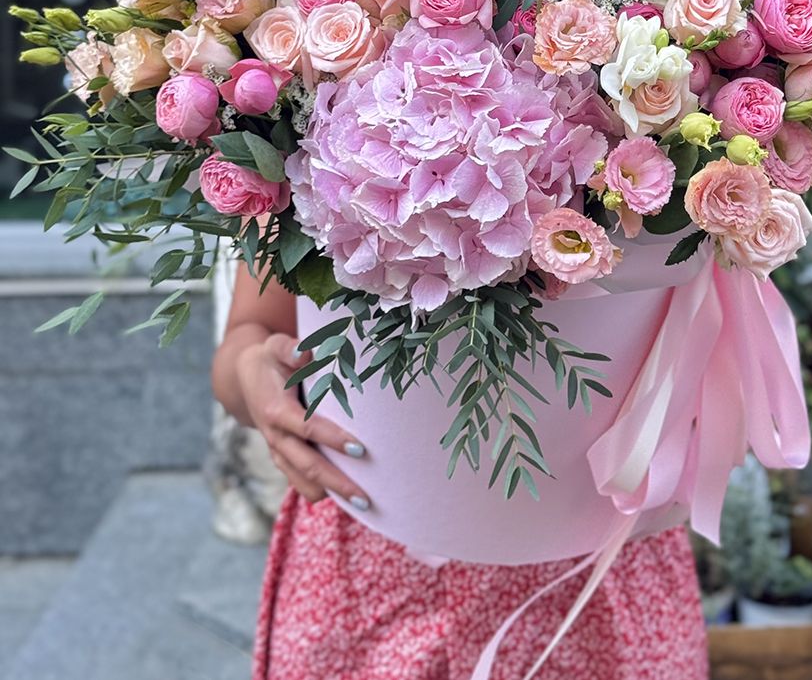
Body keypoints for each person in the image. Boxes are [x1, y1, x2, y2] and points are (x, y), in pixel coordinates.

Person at [213, 263, 710, 680]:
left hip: (600, 568)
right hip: (363, 564)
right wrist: (254, 376)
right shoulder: (299, 170)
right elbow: (249, 332)